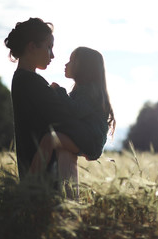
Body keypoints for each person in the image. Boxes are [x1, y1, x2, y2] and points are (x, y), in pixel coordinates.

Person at [5, 17, 83, 180]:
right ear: (32, 47)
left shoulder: (22, 79)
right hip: (44, 178)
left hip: (36, 174)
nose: (52, 55)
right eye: (49, 47)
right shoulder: (30, 82)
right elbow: (68, 119)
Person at [29, 47, 116, 179]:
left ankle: (29, 182)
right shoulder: (83, 91)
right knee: (53, 141)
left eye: (71, 61)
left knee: (50, 138)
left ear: (83, 67)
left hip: (90, 140)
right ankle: (34, 182)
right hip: (84, 137)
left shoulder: (91, 92)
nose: (66, 64)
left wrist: (59, 92)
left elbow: (75, 111)